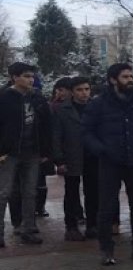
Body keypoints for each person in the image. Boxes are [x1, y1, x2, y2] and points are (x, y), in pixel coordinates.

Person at [81, 63, 133, 265]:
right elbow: (86, 131)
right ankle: (106, 249)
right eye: (125, 76)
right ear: (113, 79)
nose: (130, 80)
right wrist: (101, 149)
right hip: (110, 162)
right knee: (106, 207)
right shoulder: (99, 104)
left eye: (131, 76)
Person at [0, 62, 53, 248]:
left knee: (30, 192)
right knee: (4, 192)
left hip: (32, 152)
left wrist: (46, 151)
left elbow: (47, 125)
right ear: (14, 77)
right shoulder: (5, 97)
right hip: (10, 153)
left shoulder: (37, 98)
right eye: (26, 76)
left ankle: (28, 229)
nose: (30, 80)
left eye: (32, 76)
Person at [52, 76, 96, 241]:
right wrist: (59, 159)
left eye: (86, 89)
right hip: (71, 156)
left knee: (93, 191)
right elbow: (56, 136)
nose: (84, 93)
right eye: (79, 90)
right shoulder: (62, 110)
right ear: (72, 92)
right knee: (71, 192)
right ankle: (71, 226)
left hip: (93, 155)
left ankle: (92, 224)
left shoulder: (95, 107)